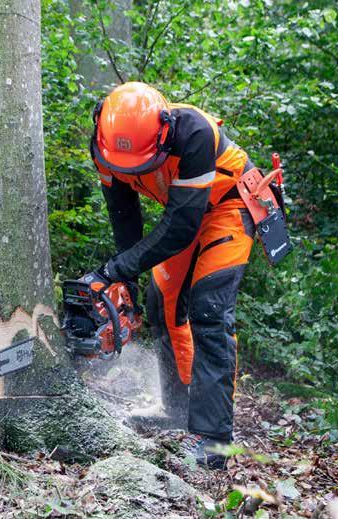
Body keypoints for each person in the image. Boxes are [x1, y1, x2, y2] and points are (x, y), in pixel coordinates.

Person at [85, 82, 256, 469]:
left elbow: (181, 225)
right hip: (184, 214)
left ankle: (214, 441)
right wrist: (122, 280)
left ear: (164, 132)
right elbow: (124, 214)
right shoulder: (105, 143)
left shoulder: (194, 133)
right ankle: (177, 409)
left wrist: (117, 268)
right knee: (159, 305)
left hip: (227, 209)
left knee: (209, 311)